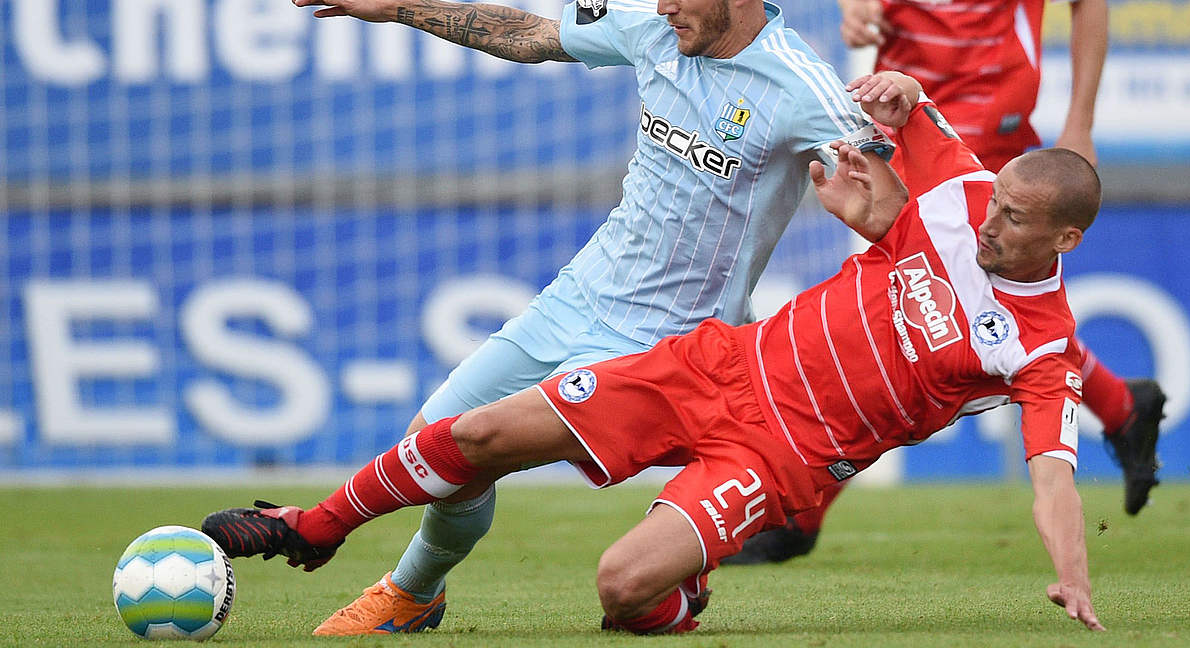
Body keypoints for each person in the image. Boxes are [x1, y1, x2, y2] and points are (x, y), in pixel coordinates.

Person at [202, 70, 1106, 633]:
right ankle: (313, 527)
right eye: (992, 205)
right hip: (719, 364)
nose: (989, 222)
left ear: (1063, 242)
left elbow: (1053, 477)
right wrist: (900, 89)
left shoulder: (1041, 349)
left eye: (1014, 220)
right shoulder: (967, 192)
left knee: (622, 590)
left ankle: (681, 591)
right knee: (477, 435)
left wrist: (1072, 579)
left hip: (781, 456)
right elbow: (917, 112)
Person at [283, 0, 887, 635]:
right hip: (579, 295)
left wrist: (906, 106)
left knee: (480, 444)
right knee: (434, 439)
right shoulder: (647, 18)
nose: (664, 3)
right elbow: (532, 36)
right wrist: (396, 7)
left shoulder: (801, 84)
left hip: (675, 339)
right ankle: (425, 594)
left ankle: (408, 589)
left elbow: (890, 189)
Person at [726, 0, 1167, 566]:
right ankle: (1122, 407)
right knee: (908, 310)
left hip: (984, 131)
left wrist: (1079, 125)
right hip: (896, 113)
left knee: (933, 315)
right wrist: (854, 5)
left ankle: (802, 508)